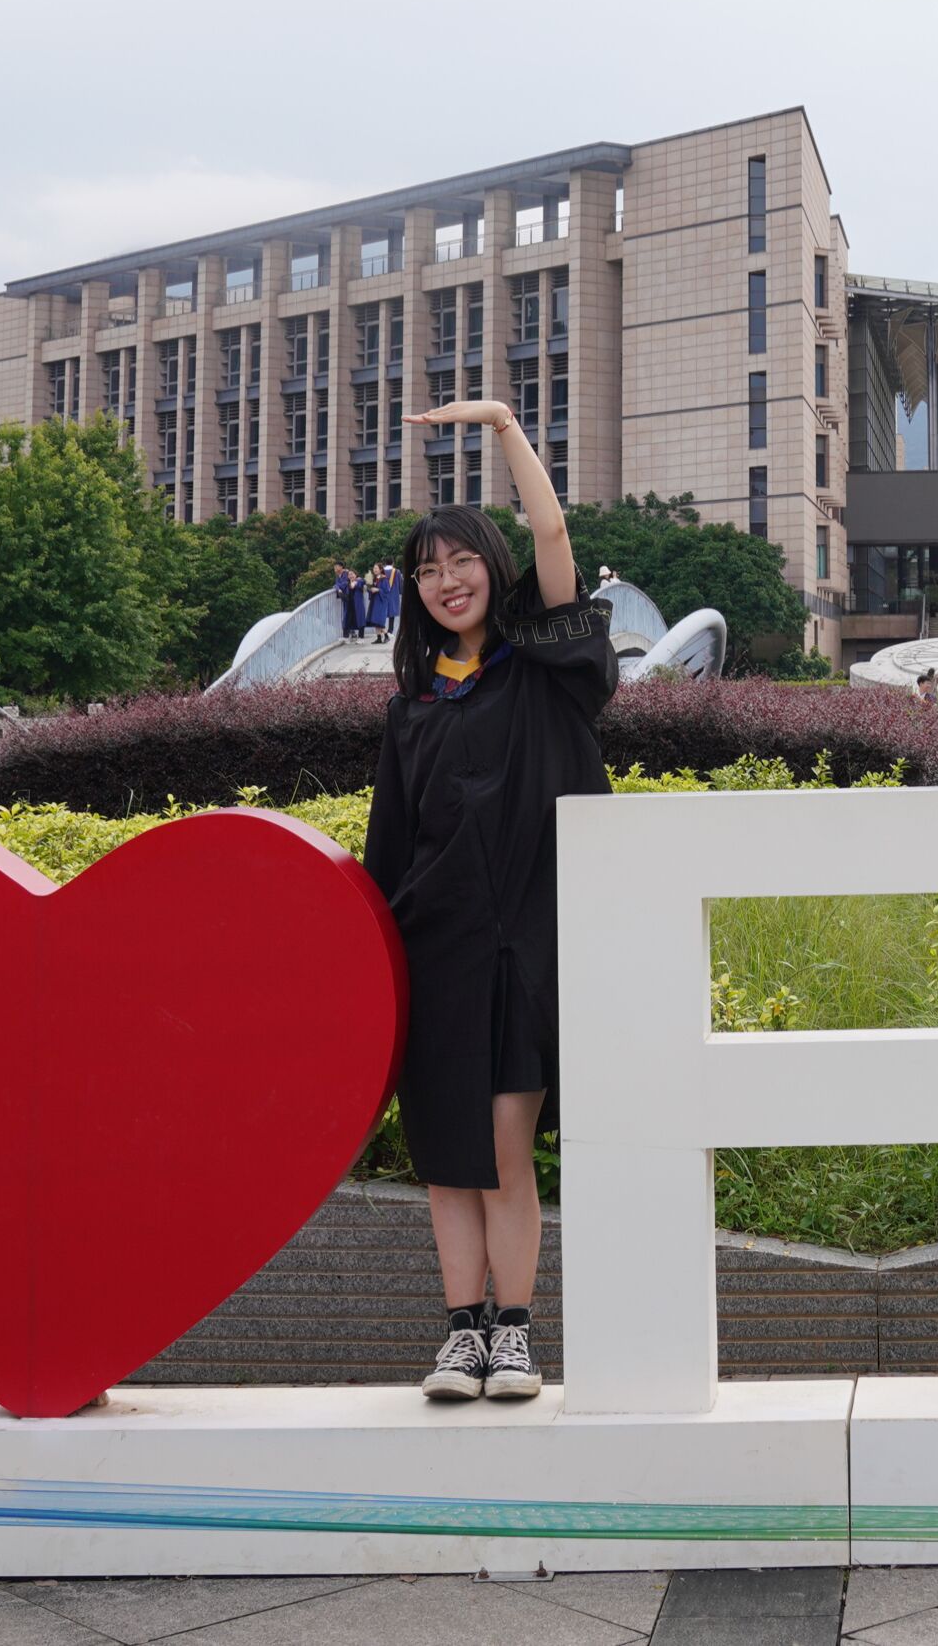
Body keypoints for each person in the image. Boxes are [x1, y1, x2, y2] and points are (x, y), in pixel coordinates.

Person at [363, 400, 614, 1404]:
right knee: (444, 1158)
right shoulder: (412, 708)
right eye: (428, 570)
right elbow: (390, 851)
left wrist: (506, 426)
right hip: (436, 955)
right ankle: (460, 1333)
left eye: (462, 560)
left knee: (504, 1147)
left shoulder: (546, 671)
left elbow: (552, 533)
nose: (447, 580)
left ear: (492, 570)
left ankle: (514, 1333)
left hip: (523, 955)